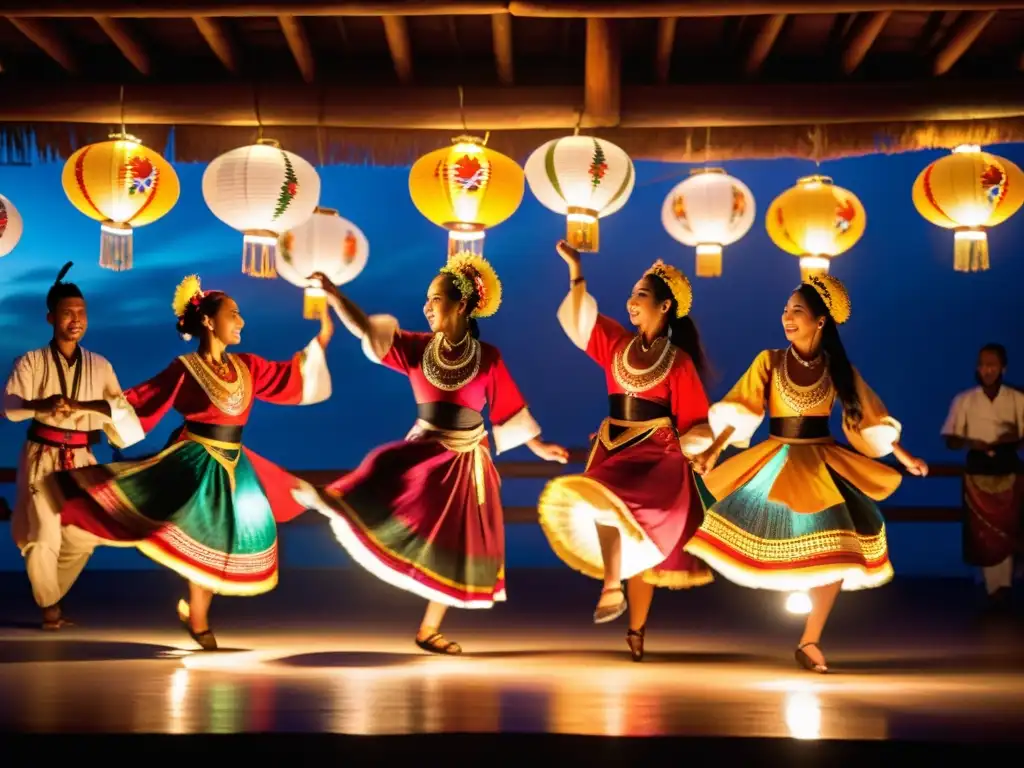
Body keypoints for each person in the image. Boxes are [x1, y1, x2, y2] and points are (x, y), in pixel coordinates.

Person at [39, 274, 333, 649]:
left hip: (235, 465)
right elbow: (137, 401)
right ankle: (198, 620)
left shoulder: (248, 366)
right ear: (209, 322)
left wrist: (321, 339)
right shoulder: (185, 368)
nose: (241, 322)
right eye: (234, 314)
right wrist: (79, 405)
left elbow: (290, 376)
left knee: (232, 540)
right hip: (195, 463)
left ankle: (193, 613)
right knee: (205, 536)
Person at [294, 254, 569, 655]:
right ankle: (337, 499)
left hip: (467, 460)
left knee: (455, 545)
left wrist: (538, 446)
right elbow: (367, 331)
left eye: (435, 299)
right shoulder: (416, 348)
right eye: (426, 299)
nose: (427, 307)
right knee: (385, 464)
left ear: (461, 305)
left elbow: (508, 408)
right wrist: (335, 296)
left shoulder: (487, 357)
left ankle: (429, 630)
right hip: (427, 449)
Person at [687, 274, 929, 673]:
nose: (787, 317)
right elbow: (743, 409)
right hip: (776, 460)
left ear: (820, 321)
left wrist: (901, 454)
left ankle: (810, 640)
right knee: (787, 538)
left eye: (797, 310)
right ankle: (798, 615)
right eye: (785, 310)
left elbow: (863, 415)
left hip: (822, 464)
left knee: (838, 553)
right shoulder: (770, 361)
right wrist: (714, 449)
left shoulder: (837, 369)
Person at [537, 240, 714, 661]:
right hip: (614, 447)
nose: (631, 302)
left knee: (643, 541)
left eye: (641, 295)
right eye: (632, 294)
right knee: (601, 504)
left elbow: (695, 420)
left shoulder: (678, 362)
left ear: (665, 306)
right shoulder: (617, 342)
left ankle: (634, 626)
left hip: (655, 455)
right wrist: (576, 270)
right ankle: (613, 587)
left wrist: (700, 453)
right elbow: (581, 323)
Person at [3, 262, 144, 630]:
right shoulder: (31, 361)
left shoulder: (99, 364)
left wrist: (82, 407)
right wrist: (42, 405)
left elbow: (120, 410)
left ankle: (50, 594)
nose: (76, 319)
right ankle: (50, 609)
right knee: (42, 536)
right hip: (43, 456)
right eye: (67, 313)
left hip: (82, 457)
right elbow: (10, 407)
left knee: (88, 533)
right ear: (51, 318)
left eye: (81, 313)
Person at [942, 343, 1024, 608]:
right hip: (977, 470)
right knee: (983, 532)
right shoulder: (964, 400)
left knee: (1009, 526)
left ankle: (1005, 586)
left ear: (1003, 368)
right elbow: (951, 438)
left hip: (1008, 466)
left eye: (992, 365)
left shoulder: (1017, 399)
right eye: (982, 364)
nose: (986, 370)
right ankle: (991, 588)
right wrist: (970, 442)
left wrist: (1010, 438)